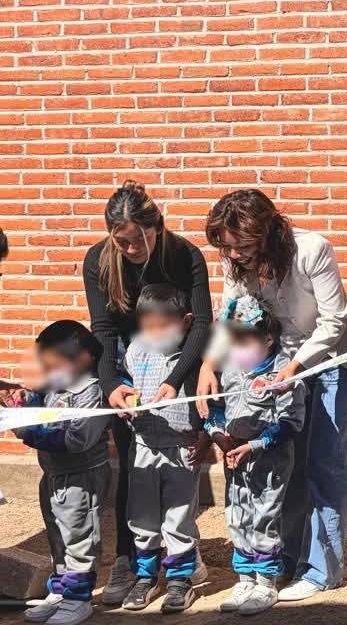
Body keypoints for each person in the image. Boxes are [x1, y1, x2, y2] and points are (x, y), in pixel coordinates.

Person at [198, 189, 347, 602]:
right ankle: (286, 557)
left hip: (333, 359)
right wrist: (209, 364)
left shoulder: (311, 249)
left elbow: (333, 320)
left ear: (268, 231)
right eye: (227, 247)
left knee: (326, 463)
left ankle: (320, 570)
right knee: (289, 461)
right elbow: (230, 315)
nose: (235, 254)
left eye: (242, 245)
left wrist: (294, 367)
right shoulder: (235, 262)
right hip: (281, 364)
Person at [81, 181, 213, 605]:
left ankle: (182, 563)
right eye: (122, 242)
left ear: (157, 226)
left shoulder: (184, 255)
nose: (132, 248)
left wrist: (176, 378)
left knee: (179, 472)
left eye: (140, 239)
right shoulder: (98, 261)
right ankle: (131, 560)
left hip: (179, 362)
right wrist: (111, 384)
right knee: (133, 466)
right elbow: (102, 329)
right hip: (129, 369)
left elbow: (202, 323)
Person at [205, 296, 304, 616]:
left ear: (268, 339)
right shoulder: (229, 369)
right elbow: (214, 408)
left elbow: (291, 422)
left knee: (264, 516)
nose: (237, 349)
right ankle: (245, 578)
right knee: (237, 515)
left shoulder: (284, 373)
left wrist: (255, 445)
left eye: (245, 341)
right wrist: (218, 436)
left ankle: (266, 581)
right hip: (235, 457)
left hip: (269, 460)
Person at [12, 320, 110, 625]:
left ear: (83, 358)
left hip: (81, 479)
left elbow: (77, 439)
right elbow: (41, 403)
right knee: (57, 537)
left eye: (55, 363)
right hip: (53, 475)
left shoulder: (91, 392)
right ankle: (60, 591)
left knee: (79, 537)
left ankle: (78, 599)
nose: (49, 371)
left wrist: (27, 430)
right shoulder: (56, 384)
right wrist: (26, 401)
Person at [115, 284, 203, 613]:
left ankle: (180, 579)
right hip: (143, 447)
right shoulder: (137, 350)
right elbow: (124, 385)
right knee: (142, 516)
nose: (156, 334)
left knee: (179, 517)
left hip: (182, 449)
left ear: (186, 321)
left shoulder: (194, 359)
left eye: (164, 326)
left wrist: (206, 435)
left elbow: (211, 403)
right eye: (149, 327)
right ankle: (145, 577)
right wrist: (126, 404)